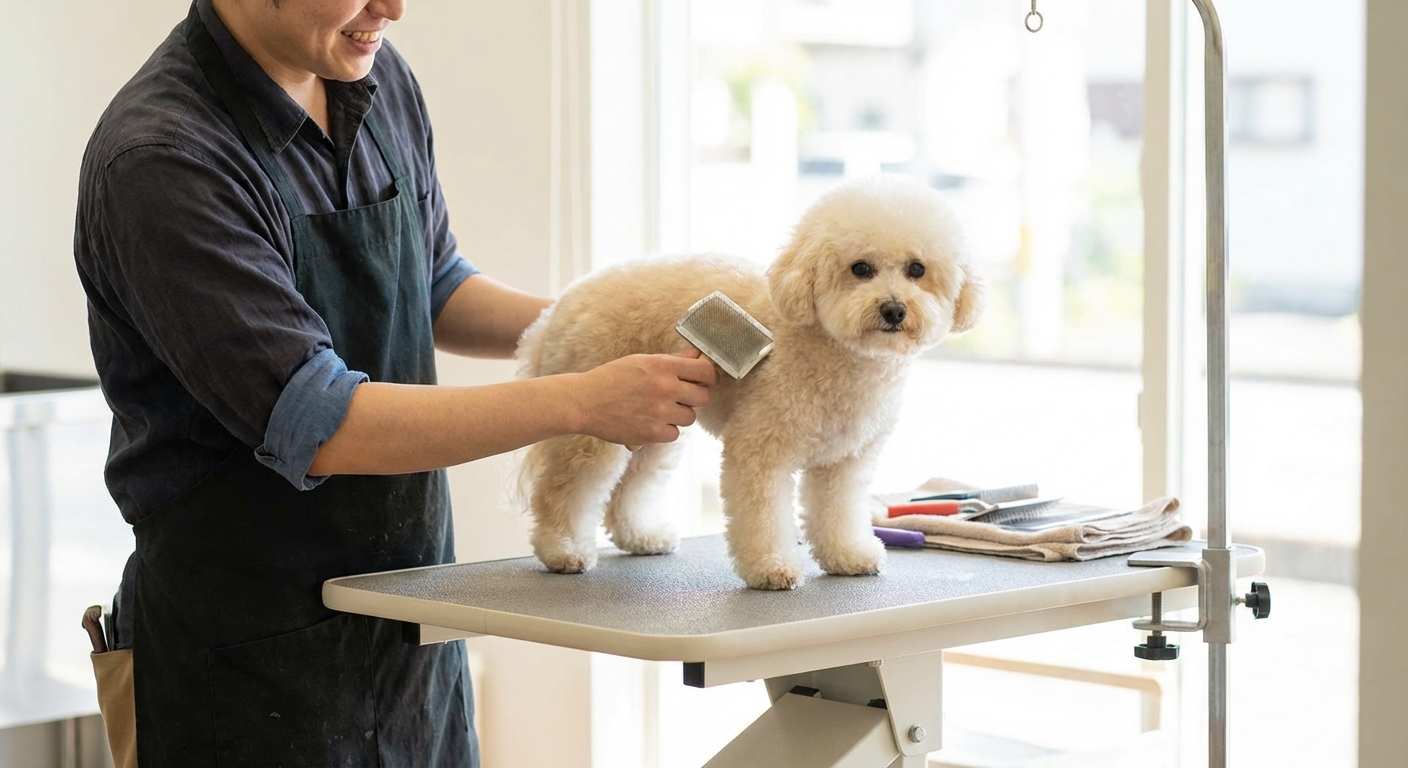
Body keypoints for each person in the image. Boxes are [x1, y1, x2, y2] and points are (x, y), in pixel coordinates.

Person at [72, 0, 716, 765]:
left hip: (410, 628)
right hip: (242, 660)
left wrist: (604, 327)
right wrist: (579, 399)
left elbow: (435, 284)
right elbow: (320, 422)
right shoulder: (165, 159)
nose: (394, 8)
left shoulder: (373, 78)